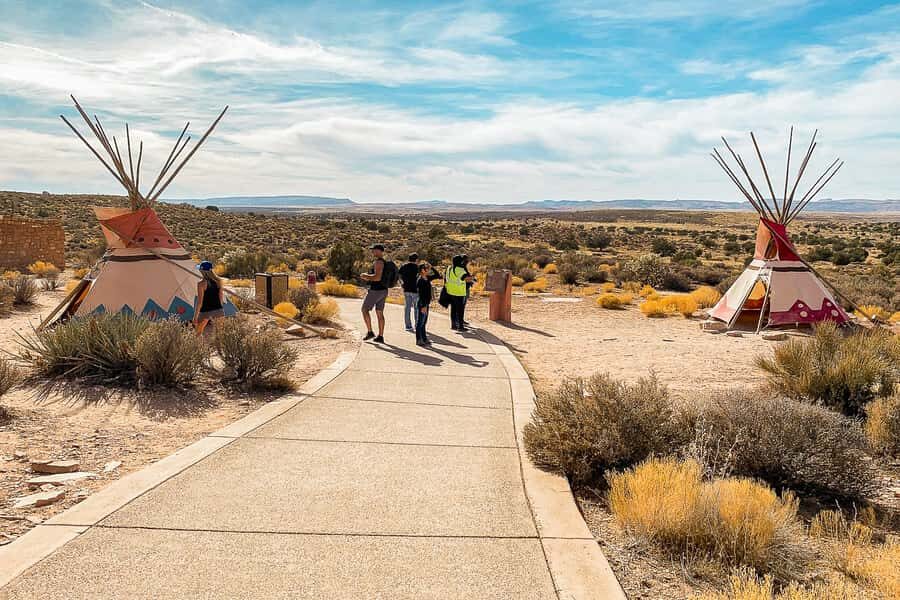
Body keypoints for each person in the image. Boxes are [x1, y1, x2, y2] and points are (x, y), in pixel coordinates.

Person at [360, 244, 387, 343]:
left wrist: (365, 276)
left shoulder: (378, 262)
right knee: (379, 313)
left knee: (364, 310)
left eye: (374, 250)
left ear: (379, 251)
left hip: (376, 290)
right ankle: (380, 336)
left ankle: (370, 332)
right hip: (383, 290)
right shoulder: (384, 262)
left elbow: (377, 278)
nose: (372, 252)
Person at [193, 261, 224, 335]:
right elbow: (221, 298)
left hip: (205, 311)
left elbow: (200, 302)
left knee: (197, 334)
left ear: (203, 271)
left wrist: (195, 316)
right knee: (221, 334)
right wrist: (221, 310)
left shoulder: (201, 284)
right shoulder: (218, 281)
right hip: (218, 309)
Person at [444, 255, 473, 331]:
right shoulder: (459, 269)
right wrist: (473, 278)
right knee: (460, 310)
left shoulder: (449, 268)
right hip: (459, 292)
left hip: (451, 291)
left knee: (453, 309)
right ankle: (460, 326)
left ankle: (453, 325)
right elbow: (466, 278)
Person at [398, 252, 420, 332]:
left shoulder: (404, 266)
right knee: (416, 308)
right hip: (415, 290)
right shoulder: (418, 268)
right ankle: (417, 325)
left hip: (406, 289)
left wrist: (401, 283)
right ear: (416, 259)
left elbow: (399, 275)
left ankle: (408, 326)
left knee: (407, 308)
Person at [415, 262, 434, 346]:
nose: (429, 270)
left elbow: (437, 275)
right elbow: (421, 294)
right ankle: (419, 339)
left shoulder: (427, 278)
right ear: (423, 270)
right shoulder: (420, 280)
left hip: (426, 303)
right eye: (427, 268)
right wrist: (423, 306)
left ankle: (424, 338)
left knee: (424, 323)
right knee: (420, 322)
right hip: (423, 303)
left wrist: (431, 267)